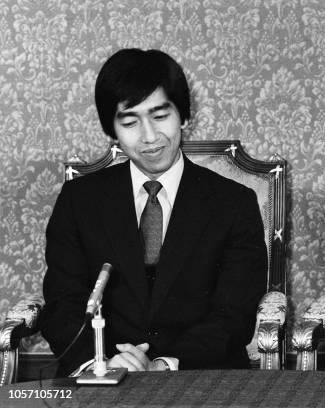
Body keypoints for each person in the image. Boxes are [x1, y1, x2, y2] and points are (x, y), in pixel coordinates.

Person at [40, 48, 267, 376]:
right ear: (112, 130)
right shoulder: (79, 199)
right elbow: (63, 301)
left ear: (184, 116)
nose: (148, 137)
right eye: (130, 122)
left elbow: (234, 313)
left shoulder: (233, 203)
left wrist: (165, 364)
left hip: (200, 375)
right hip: (102, 373)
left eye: (161, 116)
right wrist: (102, 361)